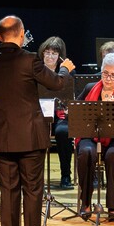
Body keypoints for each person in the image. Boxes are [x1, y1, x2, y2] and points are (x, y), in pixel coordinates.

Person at [0, 15, 74, 226]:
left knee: (8, 192)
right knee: (32, 192)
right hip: (31, 138)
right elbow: (56, 83)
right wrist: (65, 68)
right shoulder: (29, 60)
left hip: (3, 137)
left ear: (0, 36)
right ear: (21, 34)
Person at [74, 52, 114, 222]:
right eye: (105, 74)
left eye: (113, 75)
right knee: (86, 152)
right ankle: (86, 202)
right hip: (91, 135)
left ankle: (112, 206)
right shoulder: (90, 88)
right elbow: (76, 113)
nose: (108, 79)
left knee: (113, 155)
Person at [37, 36, 74, 188]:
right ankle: (35, 176)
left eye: (54, 53)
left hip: (60, 114)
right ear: (42, 54)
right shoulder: (35, 70)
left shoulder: (66, 73)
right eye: (47, 52)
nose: (50, 56)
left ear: (59, 56)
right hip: (39, 113)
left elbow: (71, 98)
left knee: (63, 132)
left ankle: (66, 175)